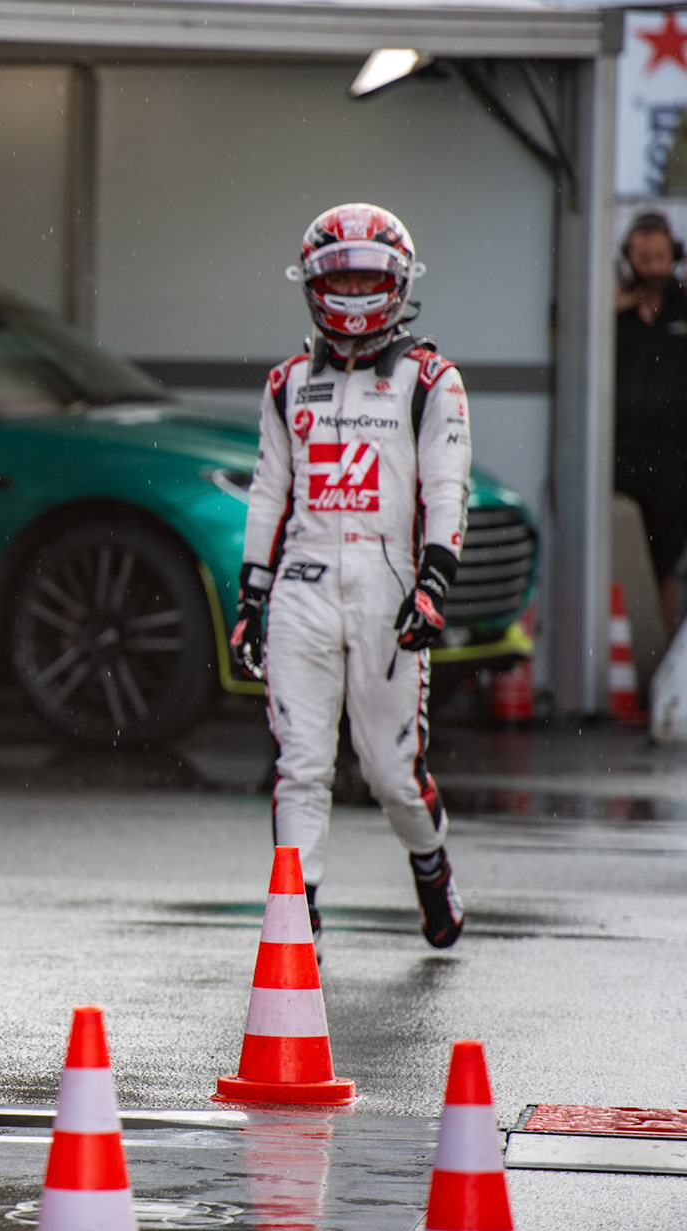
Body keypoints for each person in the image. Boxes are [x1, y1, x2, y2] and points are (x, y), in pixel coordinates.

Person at [229, 202, 472, 952]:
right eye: (344, 277)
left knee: (393, 774)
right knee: (300, 764)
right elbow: (269, 491)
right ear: (312, 284)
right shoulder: (285, 382)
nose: (358, 293)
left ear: (399, 283)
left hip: (387, 588)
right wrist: (251, 596)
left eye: (372, 277)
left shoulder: (431, 379)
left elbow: (446, 486)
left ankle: (432, 868)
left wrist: (433, 586)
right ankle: (296, 921)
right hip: (302, 585)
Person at [613, 212, 687, 628]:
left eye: (660, 257)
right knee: (619, 554)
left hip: (672, 460)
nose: (653, 267)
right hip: (620, 457)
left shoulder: (682, 306)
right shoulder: (613, 312)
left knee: (664, 564)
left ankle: (658, 653)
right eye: (644, 258)